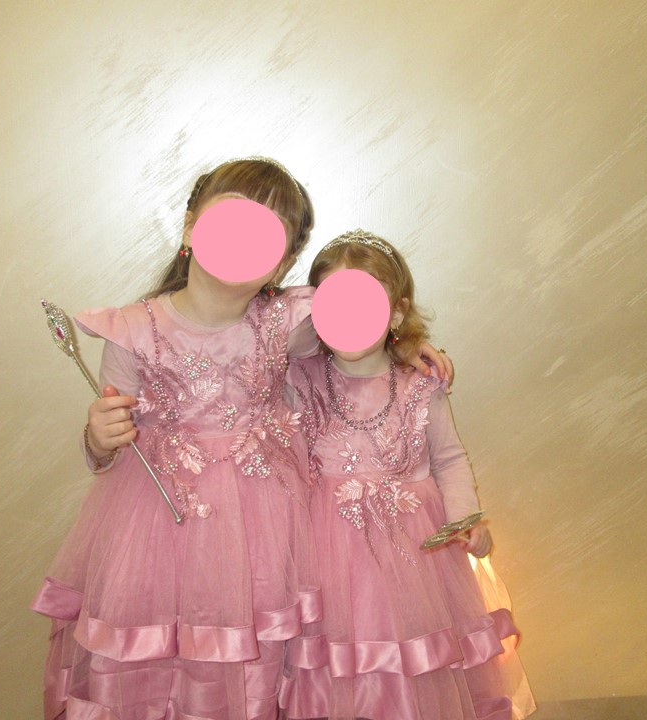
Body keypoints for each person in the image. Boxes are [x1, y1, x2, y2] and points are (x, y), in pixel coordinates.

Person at [30, 159, 450, 720]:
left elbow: (358, 334)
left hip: (265, 534)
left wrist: (405, 346)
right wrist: (99, 438)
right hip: (158, 529)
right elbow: (105, 452)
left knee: (254, 666)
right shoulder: (131, 330)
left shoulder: (287, 321)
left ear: (283, 262)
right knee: (157, 664)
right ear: (190, 227)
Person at [279, 229, 537, 720]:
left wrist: (464, 520)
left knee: (421, 667)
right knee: (344, 672)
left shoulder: (420, 385)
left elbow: (449, 459)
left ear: (395, 313)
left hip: (416, 557)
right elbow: (271, 324)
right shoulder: (300, 377)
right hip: (329, 559)